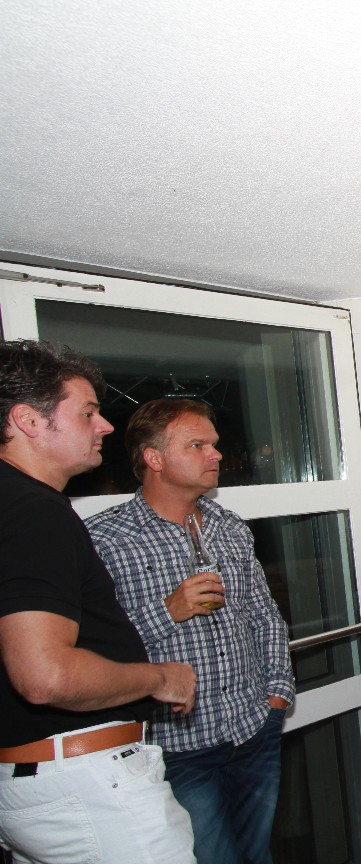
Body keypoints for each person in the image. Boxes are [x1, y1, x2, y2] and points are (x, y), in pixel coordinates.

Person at [0, 340, 197, 864]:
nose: (106, 426)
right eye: (87, 412)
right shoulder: (33, 512)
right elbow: (44, 677)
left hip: (37, 785)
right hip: (88, 789)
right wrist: (159, 677)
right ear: (28, 420)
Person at [86, 399, 295, 864]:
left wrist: (276, 696)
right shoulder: (104, 541)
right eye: (197, 445)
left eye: (213, 444)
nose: (215, 454)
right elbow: (92, 654)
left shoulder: (228, 526)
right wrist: (169, 611)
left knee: (257, 855)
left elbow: (264, 616)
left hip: (252, 729)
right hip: (177, 747)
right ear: (154, 458)